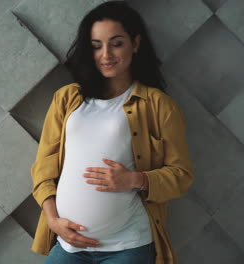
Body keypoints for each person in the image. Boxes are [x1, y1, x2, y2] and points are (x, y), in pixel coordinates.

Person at [30, 1, 194, 264]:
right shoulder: (67, 98)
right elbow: (43, 169)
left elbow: (182, 175)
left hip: (128, 246)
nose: (105, 54)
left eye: (116, 43)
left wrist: (135, 180)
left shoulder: (158, 105)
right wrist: (53, 221)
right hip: (69, 245)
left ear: (136, 44)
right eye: (96, 46)